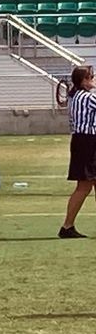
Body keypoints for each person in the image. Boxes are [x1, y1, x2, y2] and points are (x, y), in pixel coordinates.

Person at [58, 65, 96, 239]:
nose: (94, 79)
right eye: (91, 76)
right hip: (87, 142)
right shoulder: (88, 97)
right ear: (84, 80)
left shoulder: (75, 96)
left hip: (83, 141)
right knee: (84, 186)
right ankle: (67, 225)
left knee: (89, 184)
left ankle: (68, 225)